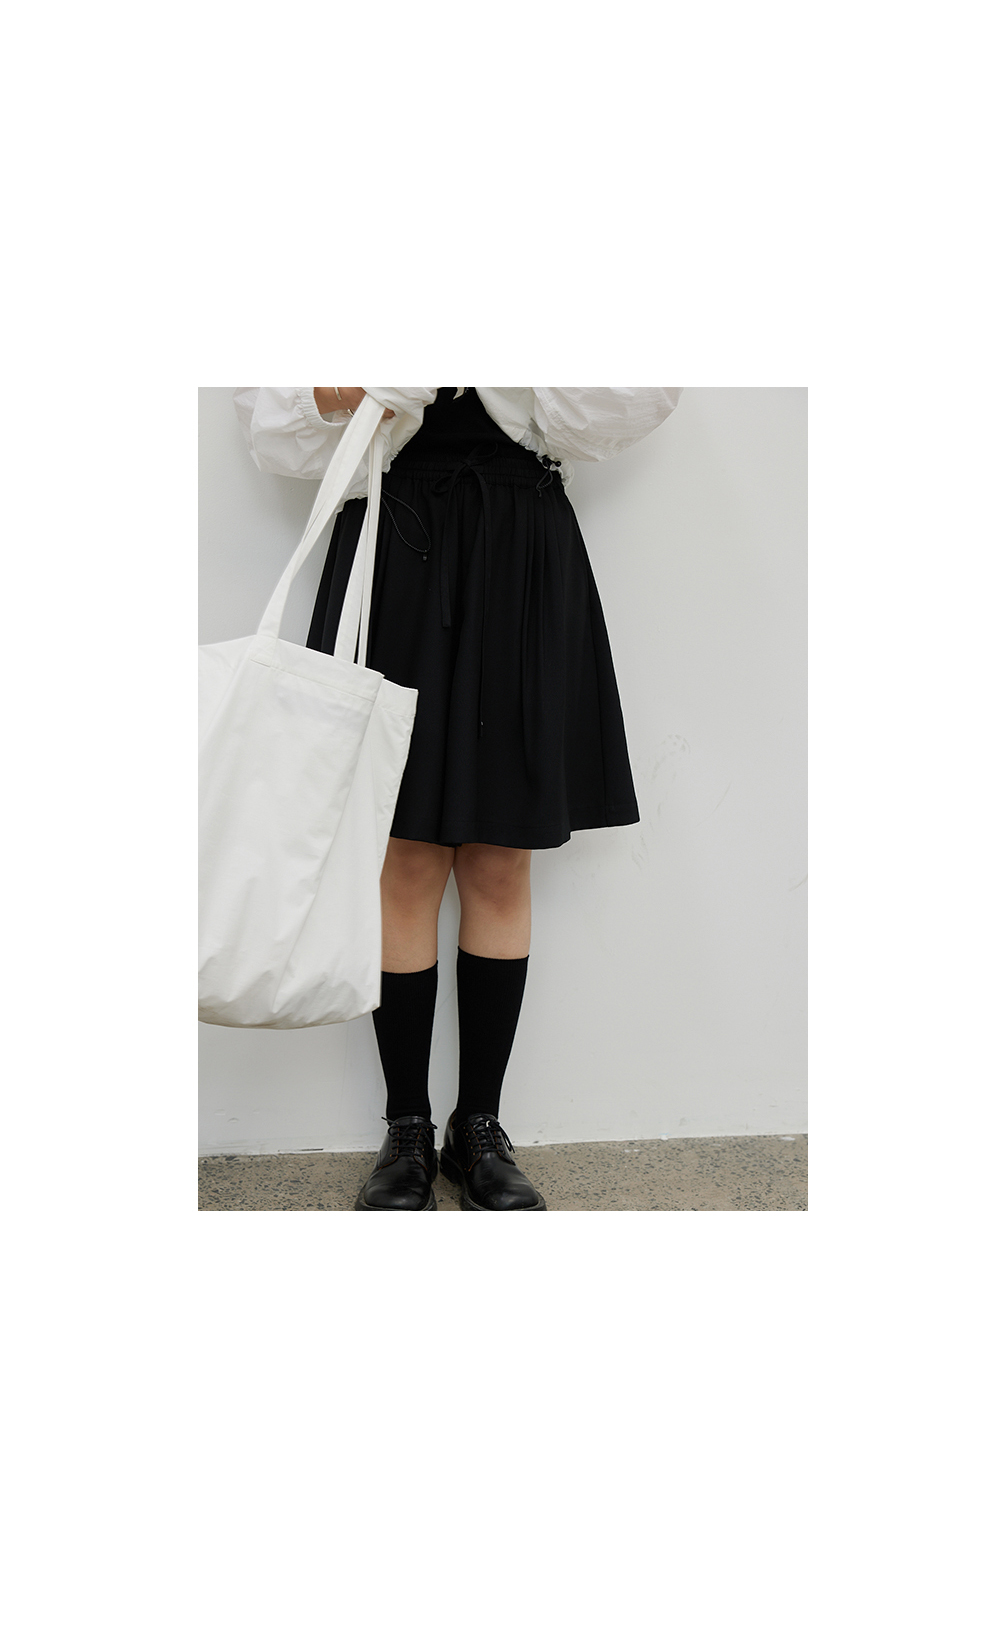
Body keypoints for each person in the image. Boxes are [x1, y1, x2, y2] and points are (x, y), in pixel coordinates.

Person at [234, 386, 682, 1210]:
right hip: (392, 541)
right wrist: (359, 383)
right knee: (403, 854)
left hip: (519, 544)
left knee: (501, 856)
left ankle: (478, 1125)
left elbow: (633, 397)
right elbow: (272, 420)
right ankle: (407, 1125)